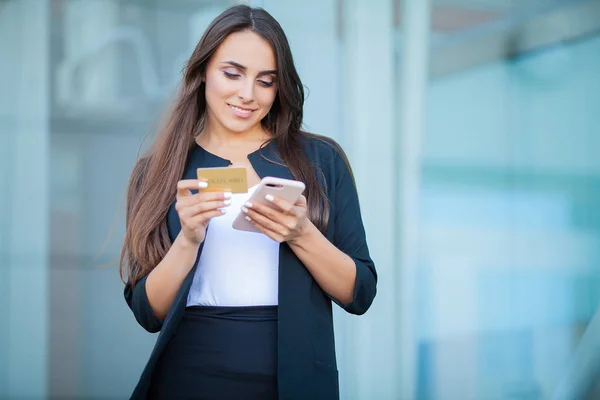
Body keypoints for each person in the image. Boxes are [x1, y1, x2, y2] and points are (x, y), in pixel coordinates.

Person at [120, 4, 377, 400]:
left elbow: (359, 294)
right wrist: (187, 240)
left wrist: (301, 234)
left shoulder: (321, 161)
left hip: (293, 377)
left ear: (280, 87)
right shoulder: (157, 172)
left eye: (265, 80)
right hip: (188, 375)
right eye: (232, 73)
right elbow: (146, 313)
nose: (247, 94)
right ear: (203, 71)